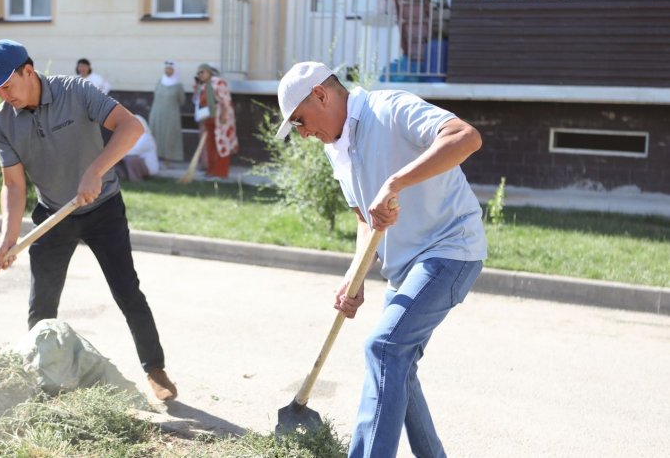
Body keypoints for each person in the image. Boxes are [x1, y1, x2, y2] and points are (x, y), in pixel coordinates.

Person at [275, 61, 487, 458]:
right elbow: (365, 221)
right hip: (406, 269)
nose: (303, 134)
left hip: (449, 248)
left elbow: (466, 137)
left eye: (300, 121)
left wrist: (396, 181)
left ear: (321, 94)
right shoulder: (335, 150)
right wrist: (352, 278)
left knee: (385, 348)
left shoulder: (389, 108)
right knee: (398, 369)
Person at [0, 39, 177, 401]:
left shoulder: (76, 91)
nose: (3, 95)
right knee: (42, 304)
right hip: (53, 215)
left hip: (104, 209)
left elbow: (130, 128)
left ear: (28, 70)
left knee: (127, 291)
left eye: (7, 85)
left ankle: (155, 369)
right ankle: (40, 374)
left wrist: (95, 171)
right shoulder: (2, 122)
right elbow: (13, 183)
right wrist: (8, 236)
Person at [193, 63, 238, 178]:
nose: (200, 75)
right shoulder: (203, 86)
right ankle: (211, 170)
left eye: (202, 72)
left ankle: (221, 172)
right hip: (208, 118)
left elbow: (226, 100)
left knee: (222, 143)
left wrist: (224, 114)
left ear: (209, 72)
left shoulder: (218, 82)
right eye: (199, 73)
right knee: (210, 145)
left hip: (220, 118)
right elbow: (199, 102)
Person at [147, 61, 185, 165]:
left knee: (169, 136)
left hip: (171, 115)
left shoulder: (178, 86)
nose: (168, 71)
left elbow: (182, 101)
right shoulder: (160, 82)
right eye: (166, 68)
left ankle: (168, 160)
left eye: (170, 69)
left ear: (175, 70)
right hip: (157, 113)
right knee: (156, 135)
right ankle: (155, 160)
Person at [116, 115, 159, 182]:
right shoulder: (130, 136)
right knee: (114, 160)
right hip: (135, 161)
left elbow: (131, 152)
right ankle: (123, 177)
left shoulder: (146, 138)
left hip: (148, 168)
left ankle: (136, 180)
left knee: (130, 159)